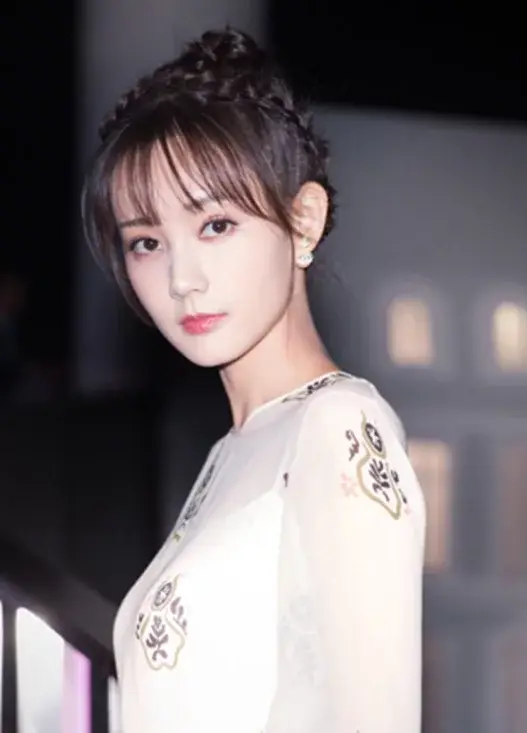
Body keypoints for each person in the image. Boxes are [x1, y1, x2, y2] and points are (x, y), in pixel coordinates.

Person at [82, 27, 426, 733]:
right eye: (146, 242)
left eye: (215, 225)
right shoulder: (233, 452)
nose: (182, 278)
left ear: (303, 221)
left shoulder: (337, 426)